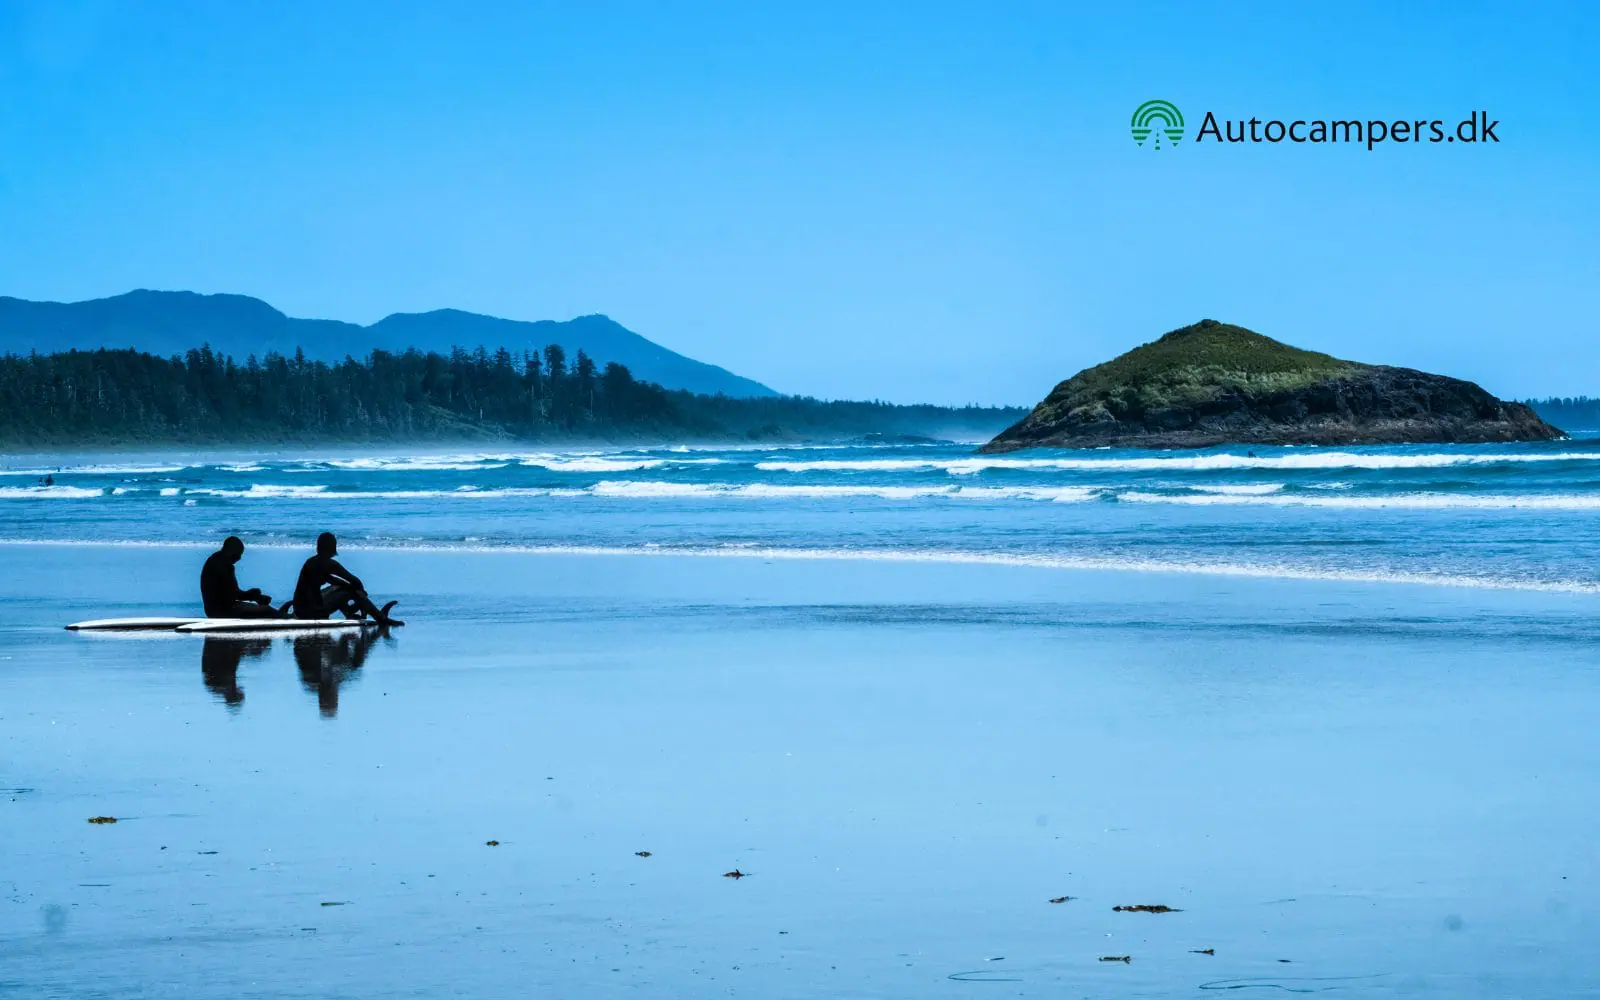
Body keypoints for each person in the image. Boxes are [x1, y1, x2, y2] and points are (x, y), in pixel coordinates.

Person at [289, 532, 403, 626]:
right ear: (333, 547)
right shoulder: (330, 564)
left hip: (299, 610)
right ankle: (381, 618)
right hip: (313, 612)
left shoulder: (310, 562)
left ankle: (350, 613)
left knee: (339, 587)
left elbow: (333, 581)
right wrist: (361, 597)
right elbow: (356, 582)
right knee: (351, 590)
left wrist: (350, 590)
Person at [199, 536, 284, 619]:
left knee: (263, 609)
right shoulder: (223, 565)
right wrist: (254, 596)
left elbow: (231, 593)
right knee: (267, 610)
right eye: (237, 554)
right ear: (229, 550)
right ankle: (286, 617)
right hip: (222, 611)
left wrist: (254, 596)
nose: (239, 558)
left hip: (213, 610)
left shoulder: (215, 559)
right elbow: (235, 594)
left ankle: (281, 615)